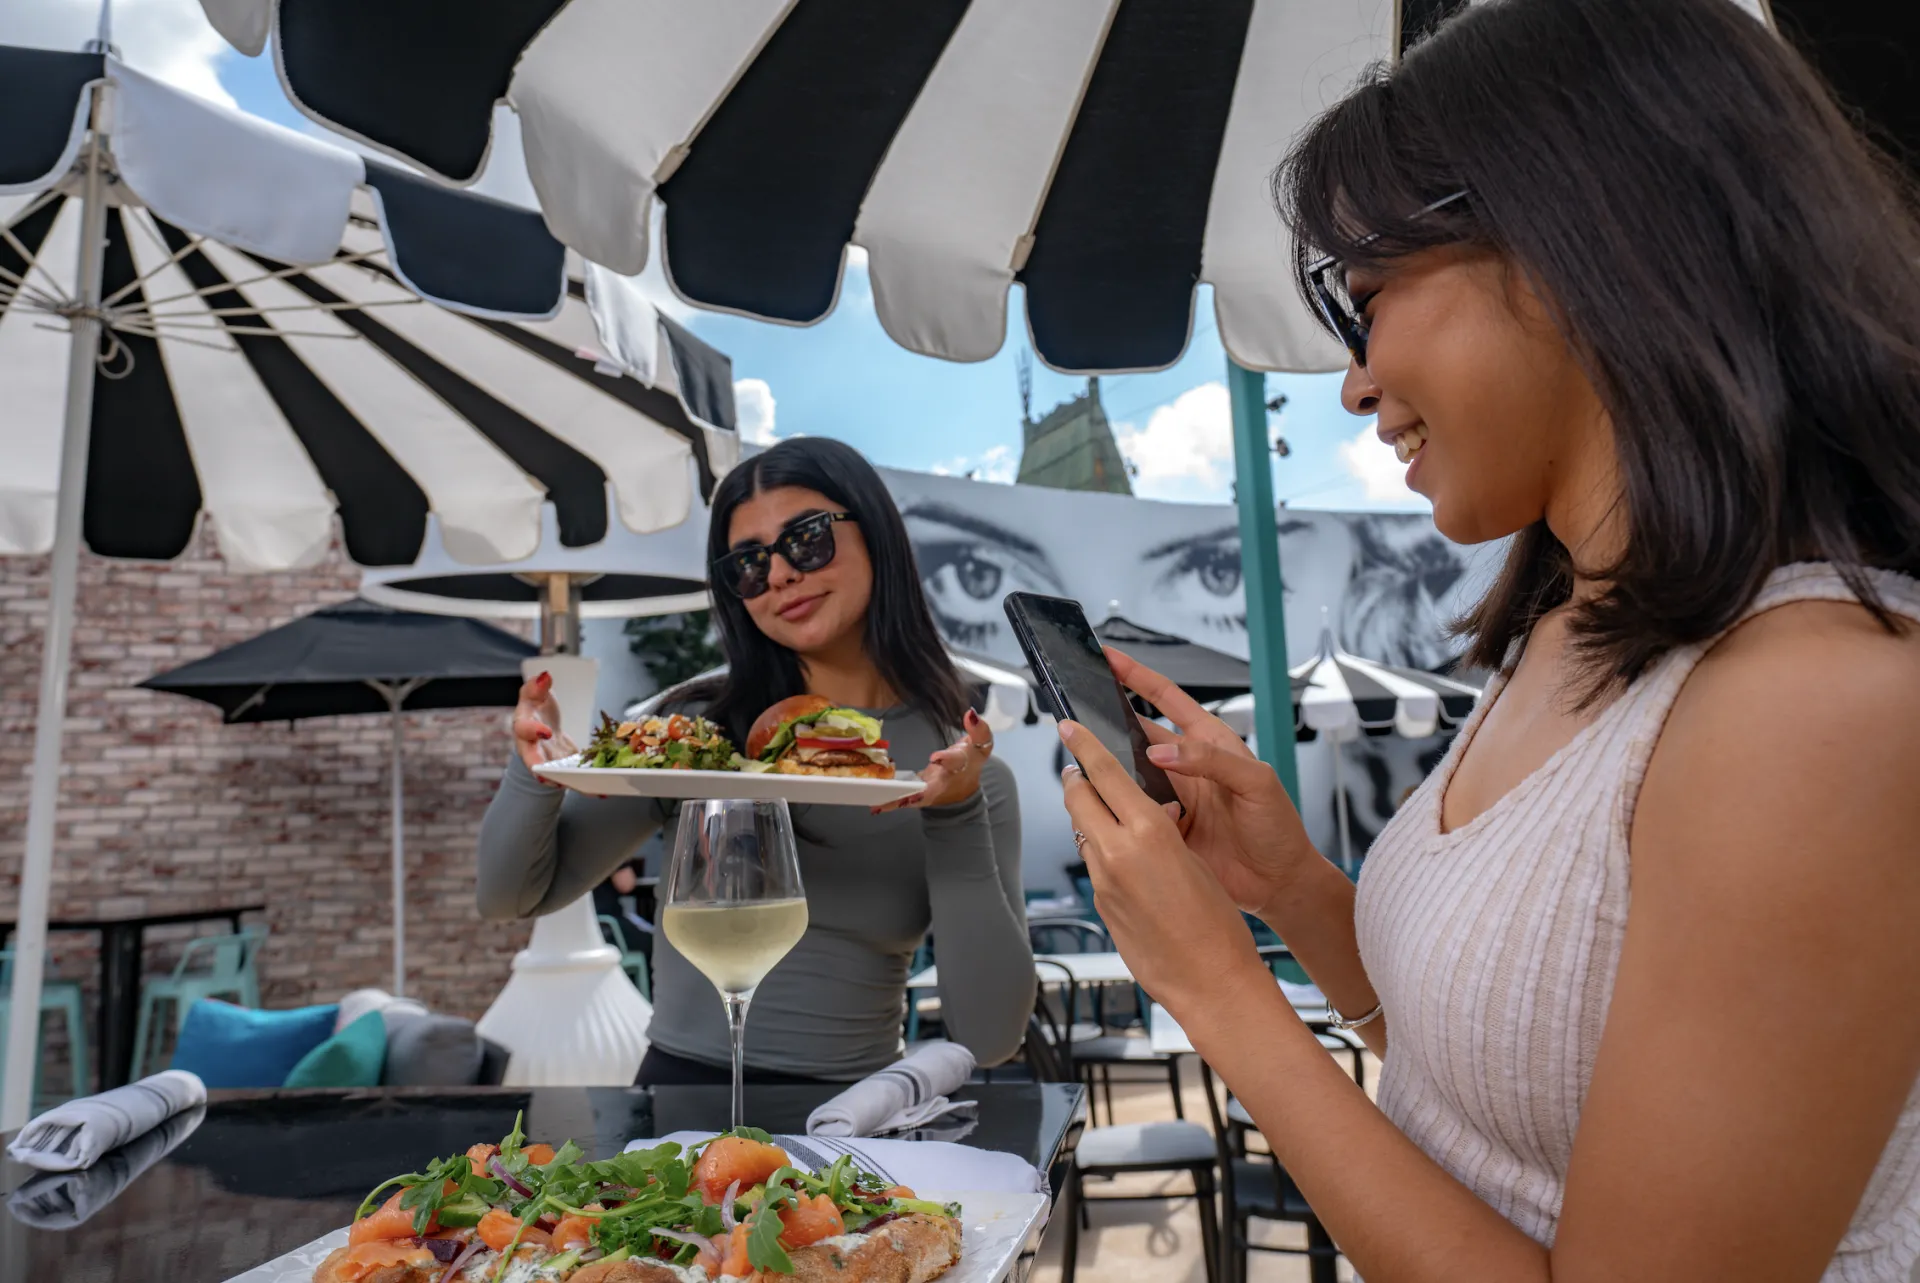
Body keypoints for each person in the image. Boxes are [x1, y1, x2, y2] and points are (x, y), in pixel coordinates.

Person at [1055, 1, 1920, 1279]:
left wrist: (1220, 993)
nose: (1352, 379)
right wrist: (1287, 885)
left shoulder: (1823, 700)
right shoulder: (1574, 626)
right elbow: (1505, 1080)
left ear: (1580, 235)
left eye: (1366, 298)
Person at [477, 437, 1034, 1084]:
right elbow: (511, 895)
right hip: (680, 1108)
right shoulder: (696, 741)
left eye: (807, 538)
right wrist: (536, 769)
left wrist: (957, 813)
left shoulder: (964, 775)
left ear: (876, 534)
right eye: (748, 562)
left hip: (851, 1129)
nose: (778, 575)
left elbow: (991, 1036)